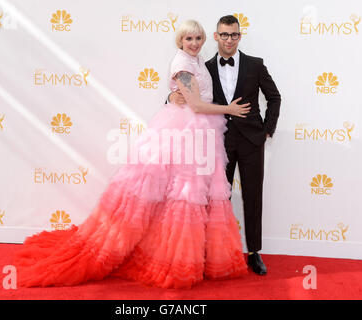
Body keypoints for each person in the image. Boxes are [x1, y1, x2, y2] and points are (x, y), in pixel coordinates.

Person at [13, 20, 250, 289]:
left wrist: (176, 98)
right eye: (189, 39)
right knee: (181, 194)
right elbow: (196, 104)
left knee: (184, 196)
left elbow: (195, 97)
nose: (194, 43)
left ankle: (189, 256)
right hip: (184, 131)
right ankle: (173, 260)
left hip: (199, 132)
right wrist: (228, 110)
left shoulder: (198, 60)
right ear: (180, 41)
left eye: (197, 38)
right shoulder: (182, 64)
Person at [169, 15, 281, 275]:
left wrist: (267, 130)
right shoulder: (203, 66)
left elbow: (274, 98)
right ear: (216, 36)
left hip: (253, 140)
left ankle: (254, 253)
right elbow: (191, 95)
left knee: (253, 196)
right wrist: (170, 95)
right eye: (224, 34)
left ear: (239, 36)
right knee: (218, 199)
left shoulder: (255, 64)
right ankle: (214, 253)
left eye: (234, 34)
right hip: (219, 141)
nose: (229, 39)